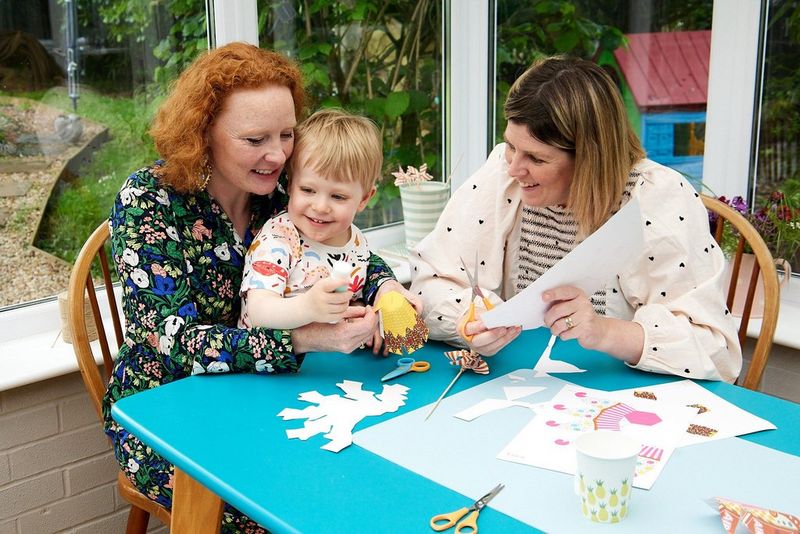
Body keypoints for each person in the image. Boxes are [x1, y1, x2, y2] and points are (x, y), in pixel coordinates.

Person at [103, 43, 407, 532]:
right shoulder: (150, 201)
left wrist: (388, 288)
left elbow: (346, 250)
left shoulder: (281, 197)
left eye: (287, 134)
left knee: (359, 474)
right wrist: (302, 338)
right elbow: (173, 342)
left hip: (266, 393)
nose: (278, 154)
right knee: (276, 506)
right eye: (255, 139)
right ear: (202, 133)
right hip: (167, 410)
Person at [410, 56, 742, 383]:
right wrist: (470, 319)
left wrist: (603, 331)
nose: (513, 168)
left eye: (537, 158)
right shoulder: (504, 174)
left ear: (589, 159)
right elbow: (432, 280)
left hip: (621, 398)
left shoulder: (656, 198)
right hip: (523, 381)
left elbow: (717, 352)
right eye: (511, 146)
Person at [240, 108, 421, 350]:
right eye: (308, 190)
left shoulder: (356, 240)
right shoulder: (278, 239)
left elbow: (354, 297)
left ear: (364, 199)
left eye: (337, 196)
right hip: (272, 371)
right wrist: (308, 307)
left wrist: (372, 322)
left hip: (333, 368)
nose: (321, 206)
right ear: (290, 184)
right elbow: (259, 311)